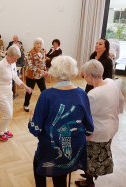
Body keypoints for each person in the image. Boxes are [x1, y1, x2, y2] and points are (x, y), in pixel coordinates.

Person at [28, 56, 94, 187]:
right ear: (74, 71)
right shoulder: (82, 93)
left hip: (52, 145)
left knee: (39, 166)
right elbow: (89, 128)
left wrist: (31, 118)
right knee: (60, 173)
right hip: (75, 147)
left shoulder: (47, 94)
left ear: (54, 71)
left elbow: (35, 130)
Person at [76, 59, 124, 187]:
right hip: (111, 126)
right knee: (98, 154)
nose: (85, 79)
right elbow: (121, 100)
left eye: (85, 76)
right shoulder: (111, 82)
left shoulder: (93, 94)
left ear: (90, 76)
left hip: (99, 131)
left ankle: (89, 182)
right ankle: (88, 174)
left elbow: (85, 116)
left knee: (92, 157)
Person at [0, 45, 33, 141]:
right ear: (8, 55)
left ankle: (4, 129)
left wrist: (26, 87)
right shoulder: (1, 66)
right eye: (15, 58)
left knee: (10, 113)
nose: (16, 61)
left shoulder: (12, 64)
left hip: (8, 91)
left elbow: (15, 77)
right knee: (8, 115)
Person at [24, 38, 48, 112]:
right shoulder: (30, 52)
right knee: (29, 91)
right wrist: (39, 70)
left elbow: (43, 62)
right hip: (32, 76)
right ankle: (26, 104)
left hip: (40, 76)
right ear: (34, 44)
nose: (39, 45)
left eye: (40, 43)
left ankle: (46, 105)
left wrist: (44, 71)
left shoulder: (43, 51)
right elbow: (30, 66)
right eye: (37, 43)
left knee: (44, 91)